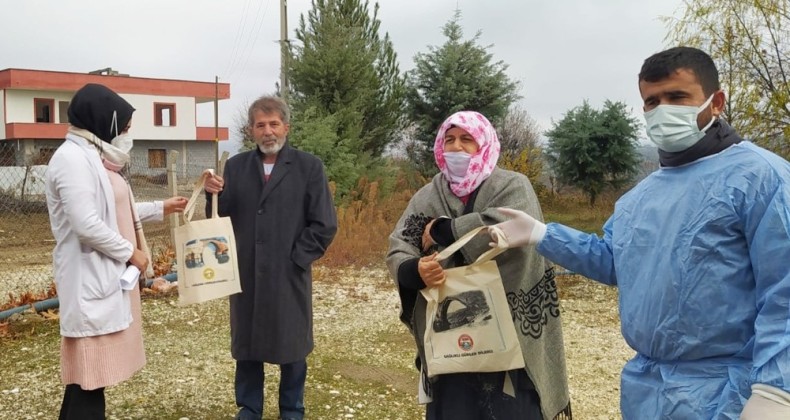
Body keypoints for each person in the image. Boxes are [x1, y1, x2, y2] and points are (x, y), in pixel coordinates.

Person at [491, 46, 790, 419]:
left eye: (677, 97)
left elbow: (784, 291)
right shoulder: (639, 197)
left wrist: (776, 390)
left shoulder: (762, 178)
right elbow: (617, 262)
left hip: (733, 392)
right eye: (652, 101)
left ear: (716, 103)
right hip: (647, 389)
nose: (662, 109)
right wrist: (542, 235)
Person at [386, 110, 572, 420]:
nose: (456, 147)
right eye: (449, 140)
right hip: (450, 335)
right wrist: (414, 270)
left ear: (484, 144)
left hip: (509, 331)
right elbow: (401, 243)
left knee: (511, 408)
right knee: (454, 405)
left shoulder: (512, 186)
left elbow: (508, 232)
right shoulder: (428, 195)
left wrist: (445, 228)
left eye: (466, 139)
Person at [45, 83, 188, 419]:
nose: (126, 135)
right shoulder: (71, 160)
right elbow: (86, 223)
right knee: (88, 381)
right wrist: (132, 254)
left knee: (89, 381)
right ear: (102, 122)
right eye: (123, 128)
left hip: (103, 281)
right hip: (89, 280)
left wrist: (160, 207)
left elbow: (114, 207)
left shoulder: (93, 156)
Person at [203, 95, 337, 420]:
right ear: (251, 130)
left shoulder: (308, 167)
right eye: (260, 125)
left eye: (273, 123)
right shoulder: (235, 166)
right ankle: (249, 407)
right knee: (247, 345)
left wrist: (297, 259)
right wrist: (212, 194)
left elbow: (324, 224)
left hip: (288, 273)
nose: (268, 131)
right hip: (246, 272)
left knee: (292, 345)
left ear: (286, 127)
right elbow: (221, 218)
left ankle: (292, 409)